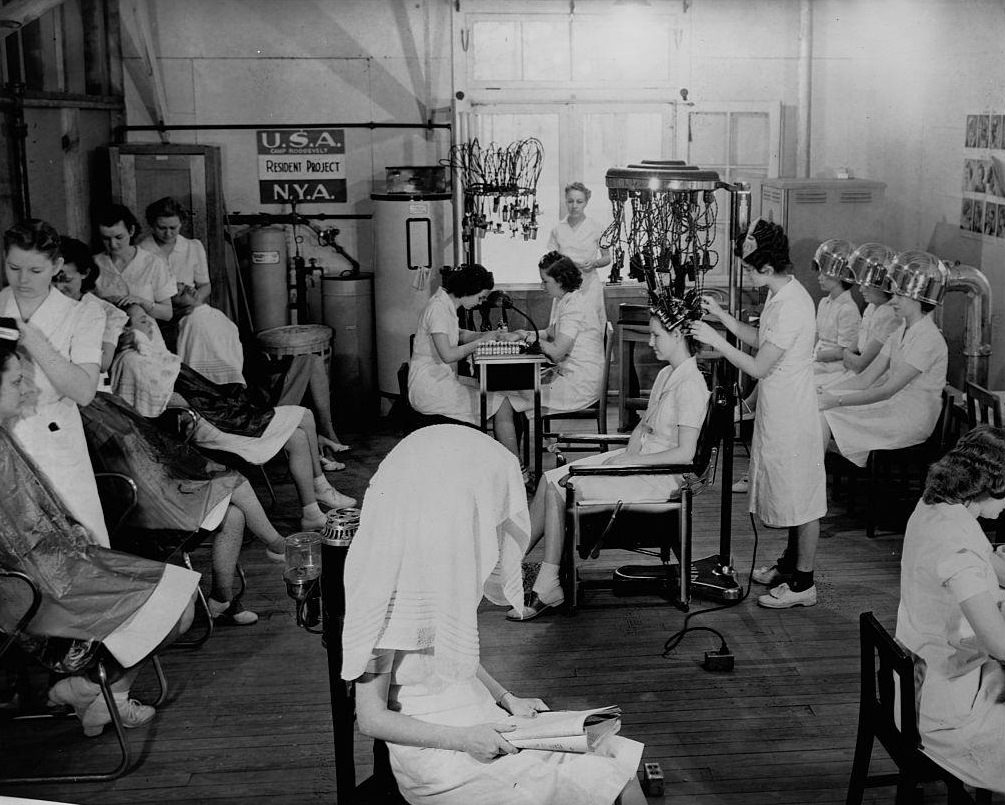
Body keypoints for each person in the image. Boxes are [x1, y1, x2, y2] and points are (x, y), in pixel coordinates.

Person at [341, 424, 646, 805]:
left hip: (484, 722)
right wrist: (464, 739)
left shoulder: (435, 569)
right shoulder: (385, 590)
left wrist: (507, 697)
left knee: (613, 756)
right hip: (444, 750)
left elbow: (450, 655)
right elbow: (371, 718)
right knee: (599, 780)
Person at [0, 339, 198, 735]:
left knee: (183, 597)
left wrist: (74, 542)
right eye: (18, 382)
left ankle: (95, 692)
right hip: (31, 590)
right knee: (177, 606)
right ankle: (102, 692)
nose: (30, 390)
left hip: (59, 566)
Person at [510, 302, 709, 621]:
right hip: (639, 462)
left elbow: (685, 454)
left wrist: (627, 465)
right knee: (550, 479)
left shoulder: (692, 385)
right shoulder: (667, 374)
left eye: (656, 335)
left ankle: (547, 586)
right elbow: (644, 427)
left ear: (676, 334)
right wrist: (620, 460)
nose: (650, 341)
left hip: (660, 478)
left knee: (563, 485)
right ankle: (508, 565)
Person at [111, 303, 355, 531]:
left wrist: (219, 401)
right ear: (127, 330)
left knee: (299, 434)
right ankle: (319, 489)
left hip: (214, 414)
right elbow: (165, 406)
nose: (151, 325)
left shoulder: (150, 355)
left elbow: (190, 391)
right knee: (302, 419)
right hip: (205, 426)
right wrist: (217, 405)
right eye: (143, 321)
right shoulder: (134, 362)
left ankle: (311, 512)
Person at [688, 219, 826, 609]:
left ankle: (804, 585)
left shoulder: (794, 306)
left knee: (803, 500)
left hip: (792, 414)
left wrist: (716, 340)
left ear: (766, 269)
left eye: (750, 269)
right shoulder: (780, 296)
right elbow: (760, 341)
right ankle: (788, 565)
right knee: (792, 493)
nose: (748, 276)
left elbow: (760, 367)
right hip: (778, 408)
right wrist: (722, 318)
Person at [896, 426, 1005, 793]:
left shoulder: (936, 507)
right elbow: (999, 644)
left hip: (920, 678)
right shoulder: (959, 549)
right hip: (946, 711)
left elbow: (987, 563)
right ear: (993, 485)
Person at [0, 219, 109, 546]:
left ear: (56, 266)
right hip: (5, 442)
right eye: (13, 267)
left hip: (56, 441)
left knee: (78, 540)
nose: (22, 280)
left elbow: (84, 392)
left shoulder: (83, 315)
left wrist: (36, 343)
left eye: (35, 271)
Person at [818, 250, 949, 468]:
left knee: (827, 413)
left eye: (899, 295)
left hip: (910, 419)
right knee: (822, 408)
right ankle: (809, 485)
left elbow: (888, 390)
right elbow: (865, 379)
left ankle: (811, 488)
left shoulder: (929, 339)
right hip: (892, 406)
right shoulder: (901, 331)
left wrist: (836, 400)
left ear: (916, 297)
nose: (893, 300)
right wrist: (829, 393)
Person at [493, 253, 605, 468]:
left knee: (502, 401)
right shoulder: (568, 300)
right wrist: (521, 333)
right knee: (513, 392)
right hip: (572, 376)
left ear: (561, 281)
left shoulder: (574, 306)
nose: (542, 286)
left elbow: (556, 352)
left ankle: (516, 470)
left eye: (546, 281)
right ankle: (517, 464)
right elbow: (551, 332)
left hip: (578, 385)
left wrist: (529, 339)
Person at [137, 196, 245, 385]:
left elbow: (205, 285)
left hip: (191, 305)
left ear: (182, 224)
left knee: (219, 326)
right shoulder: (142, 252)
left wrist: (191, 303)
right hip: (159, 313)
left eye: (174, 228)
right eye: (162, 228)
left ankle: (225, 380)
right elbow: (143, 295)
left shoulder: (192, 247)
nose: (168, 233)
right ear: (151, 225)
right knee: (198, 322)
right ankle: (197, 382)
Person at [407, 263, 504, 425]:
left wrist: (487, 335)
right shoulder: (438, 309)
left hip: (441, 381)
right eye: (480, 297)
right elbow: (448, 355)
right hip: (431, 390)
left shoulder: (446, 304)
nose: (480, 303)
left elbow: (458, 334)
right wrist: (481, 342)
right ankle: (505, 451)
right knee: (502, 404)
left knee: (497, 393)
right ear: (468, 290)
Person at [93, 203, 175, 322]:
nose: (113, 244)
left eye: (119, 237)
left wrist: (142, 301)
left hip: (146, 333)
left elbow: (167, 314)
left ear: (131, 231)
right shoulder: (95, 263)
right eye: (106, 239)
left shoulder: (153, 263)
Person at [831, 243, 901, 378]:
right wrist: (848, 355)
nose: (861, 289)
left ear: (883, 285)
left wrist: (847, 355)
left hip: (874, 380)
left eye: (867, 285)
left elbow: (860, 365)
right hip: (856, 374)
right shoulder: (871, 307)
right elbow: (852, 350)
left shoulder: (891, 315)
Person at [547, 182, 611, 323]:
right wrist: (565, 265)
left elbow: (607, 258)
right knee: (565, 326)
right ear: (565, 201)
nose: (574, 205)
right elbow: (551, 261)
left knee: (591, 326)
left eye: (579, 201)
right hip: (565, 286)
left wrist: (595, 263)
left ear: (586, 202)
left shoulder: (596, 227)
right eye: (570, 201)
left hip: (590, 286)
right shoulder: (558, 229)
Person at [811, 239, 861, 382]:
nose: (819, 278)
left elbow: (843, 351)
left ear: (840, 276)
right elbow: (816, 336)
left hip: (835, 367)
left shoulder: (848, 309)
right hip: (816, 359)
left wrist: (813, 357)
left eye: (824, 274)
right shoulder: (823, 303)